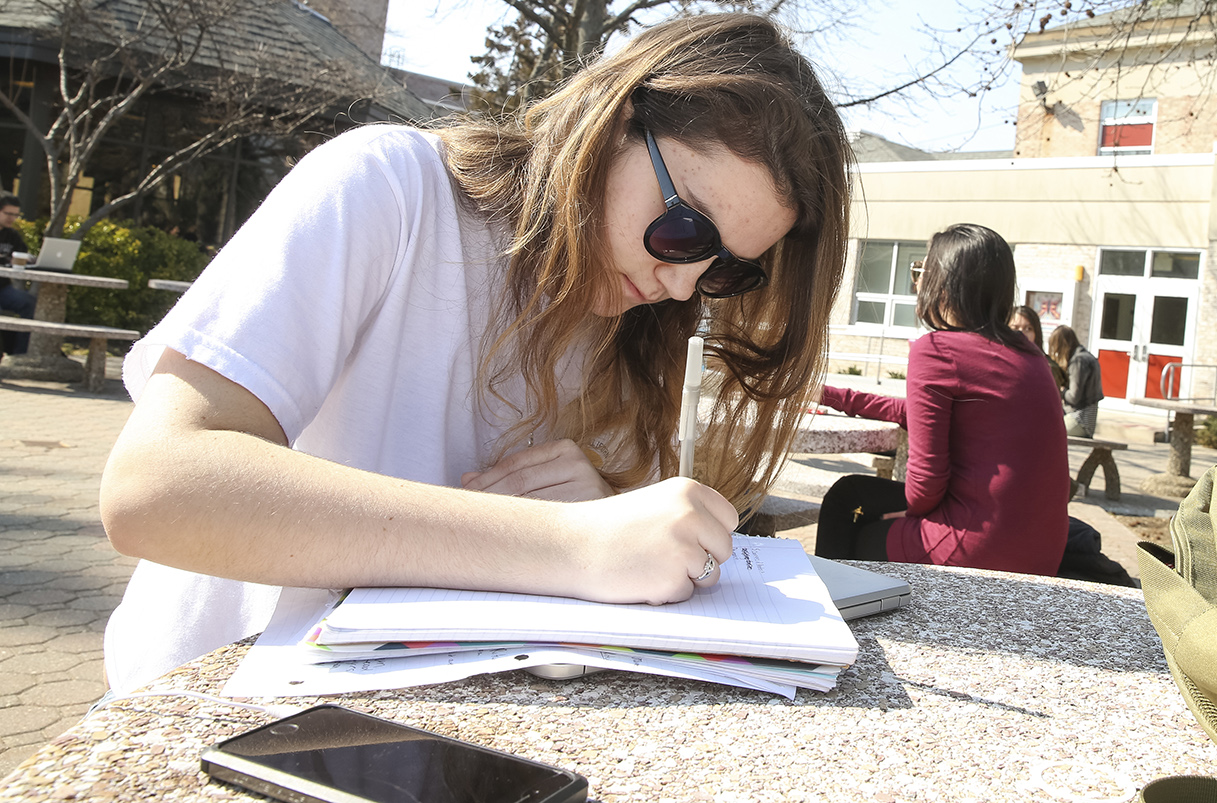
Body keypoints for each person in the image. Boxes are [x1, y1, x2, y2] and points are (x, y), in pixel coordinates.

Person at [97, 14, 852, 693]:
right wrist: (565, 544)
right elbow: (157, 485)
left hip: (426, 734)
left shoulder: (632, 336)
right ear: (614, 121)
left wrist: (599, 519)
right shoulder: (389, 190)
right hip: (201, 715)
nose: (682, 281)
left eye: (724, 268)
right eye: (684, 227)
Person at [814, 224, 1068, 575]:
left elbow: (925, 487)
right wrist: (834, 396)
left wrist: (905, 514)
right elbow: (921, 414)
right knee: (854, 492)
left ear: (941, 282)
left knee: (845, 502)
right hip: (1042, 549)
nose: (917, 282)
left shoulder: (937, 350)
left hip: (977, 545)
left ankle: (835, 606)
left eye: (922, 270)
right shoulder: (1028, 354)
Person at [1049, 325, 1102, 438]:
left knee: (1045, 430)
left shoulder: (1078, 361)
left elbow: (1073, 397)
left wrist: (1062, 391)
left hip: (1079, 420)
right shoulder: (1086, 356)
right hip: (1086, 421)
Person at [0, 194, 35, 356]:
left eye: (16, 215)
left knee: (28, 303)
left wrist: (30, 260)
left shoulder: (12, 236)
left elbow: (23, 254)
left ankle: (20, 355)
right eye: (8, 214)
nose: (12, 218)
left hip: (3, 289)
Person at [1008, 304, 1066, 389]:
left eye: (1028, 329)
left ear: (1036, 333)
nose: (1021, 334)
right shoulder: (999, 363)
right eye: (1015, 328)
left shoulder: (1047, 368)